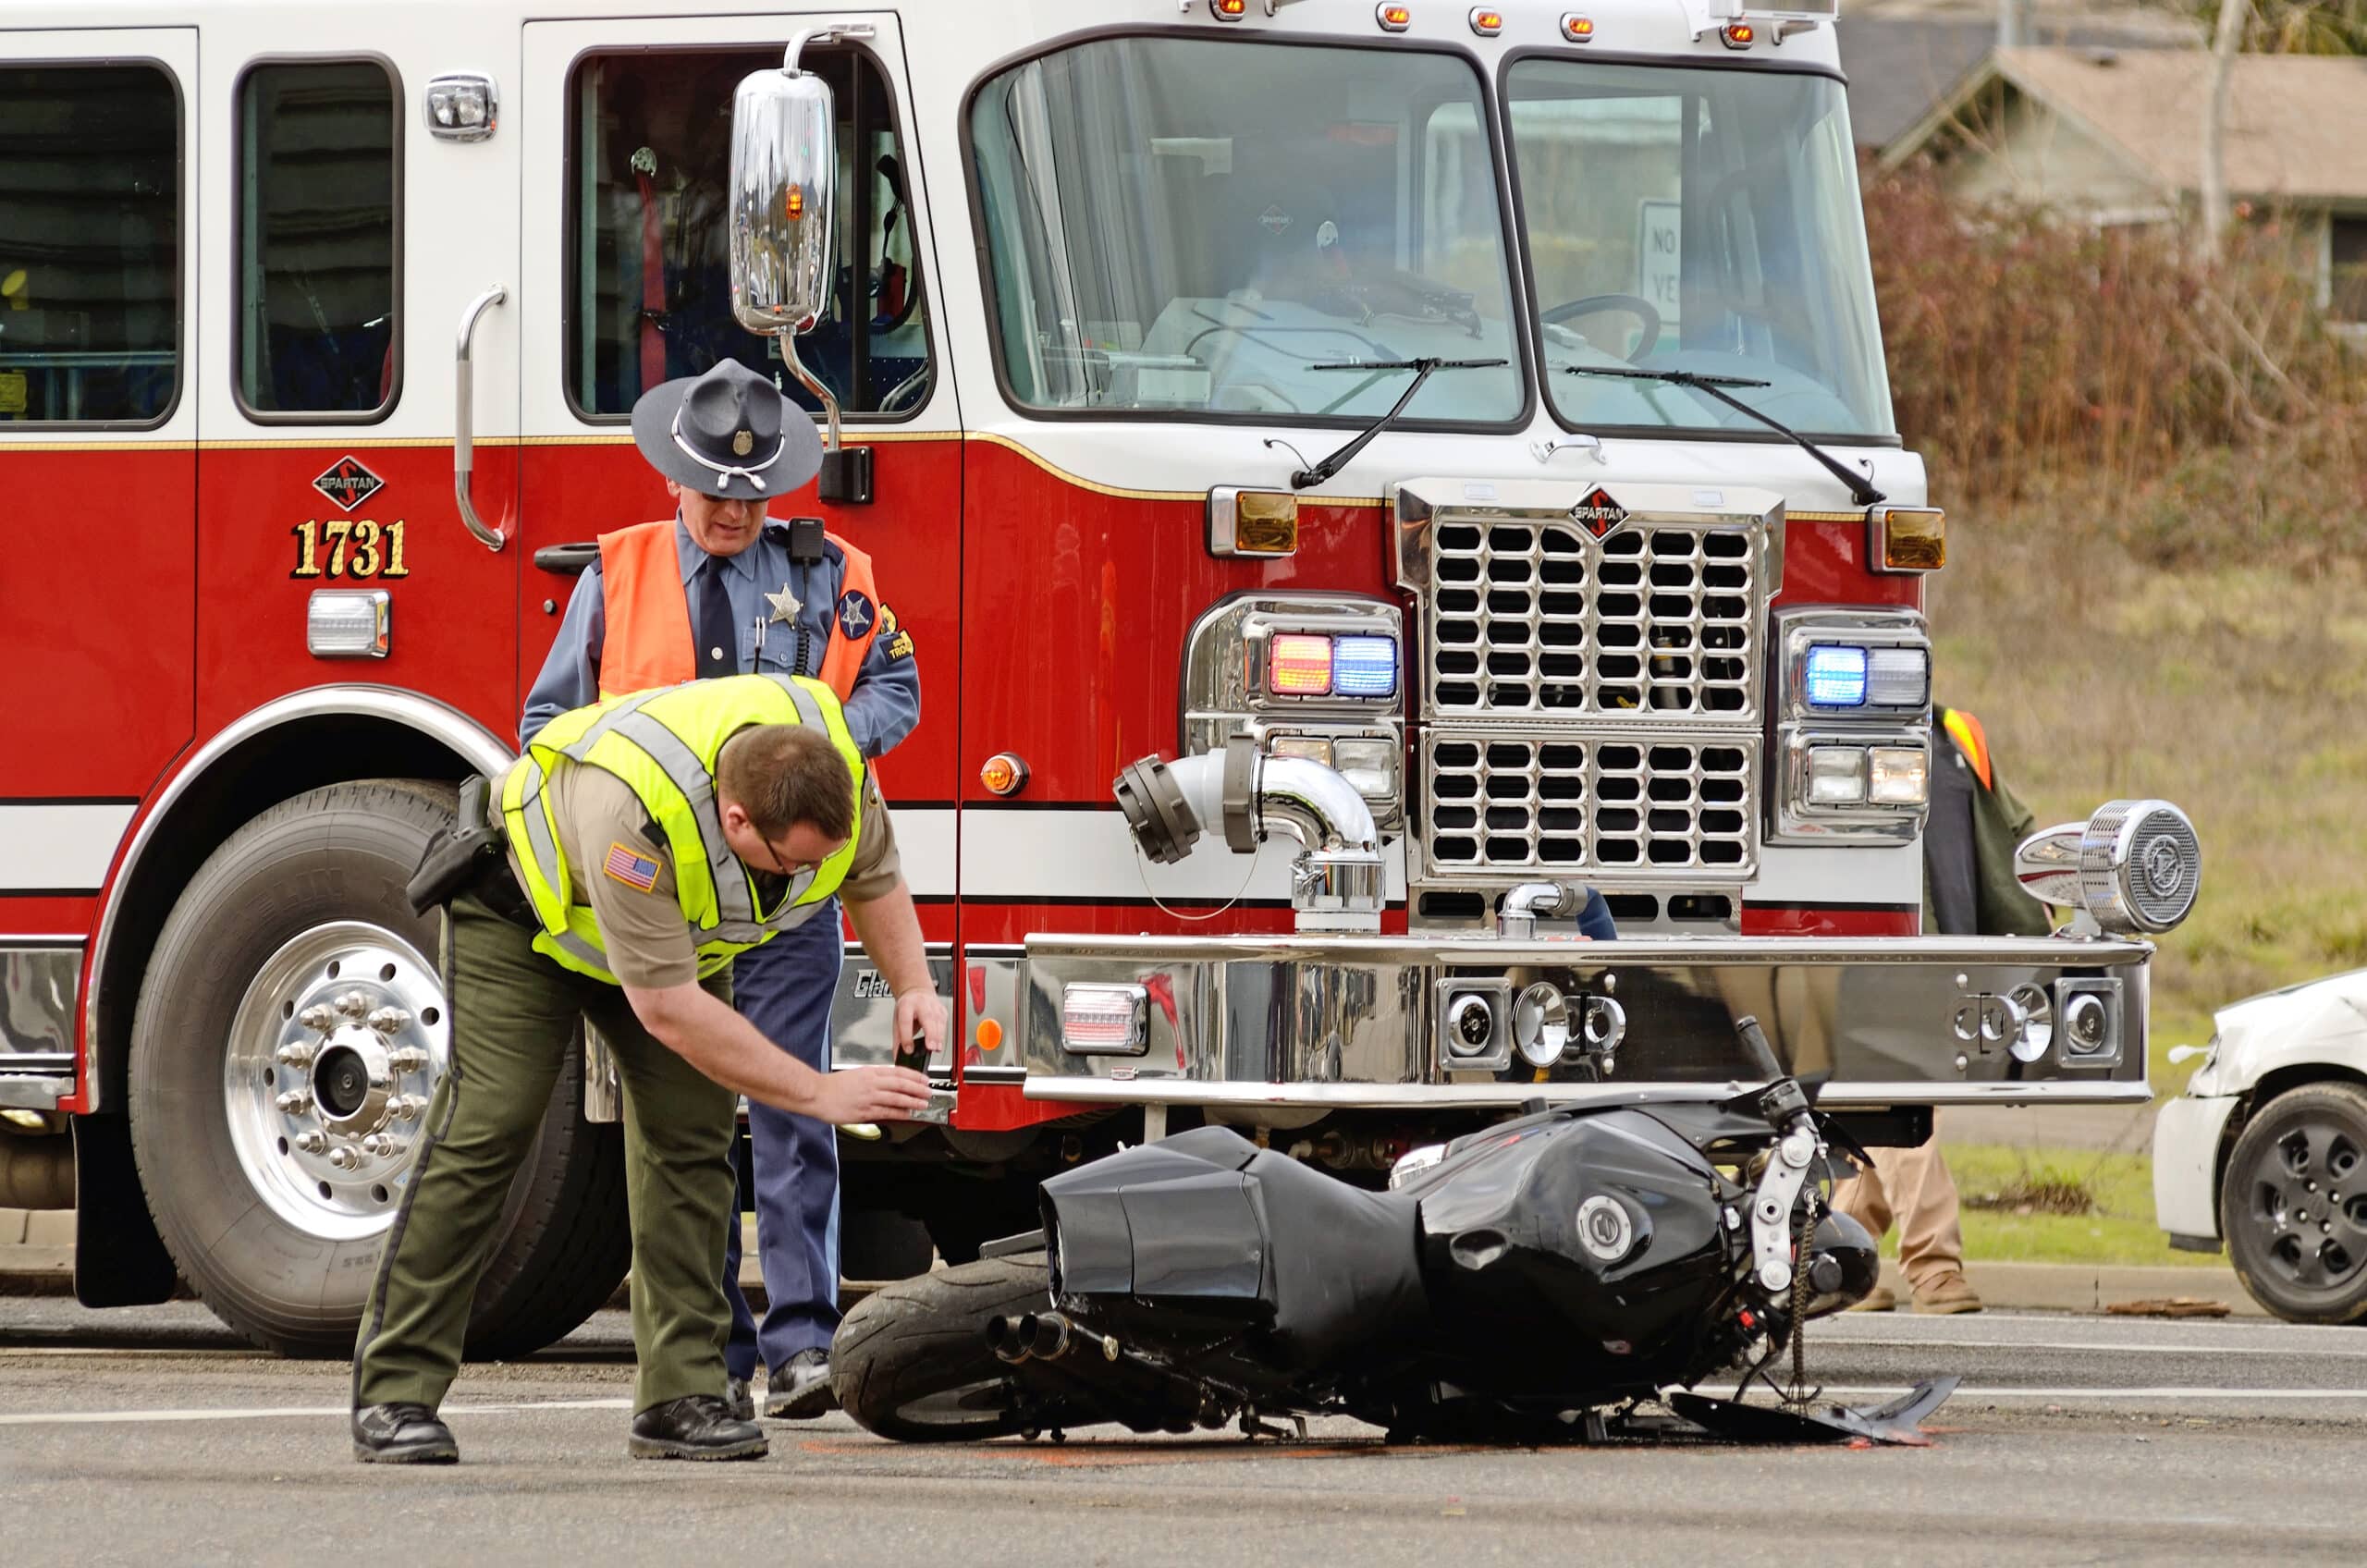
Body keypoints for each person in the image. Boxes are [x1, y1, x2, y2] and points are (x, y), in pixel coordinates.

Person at [350, 672, 944, 1464]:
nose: (801, 882)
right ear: (736, 818)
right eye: (788, 865)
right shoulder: (635, 816)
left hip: (673, 947)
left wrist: (914, 985)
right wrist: (818, 1092)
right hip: (527, 920)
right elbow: (667, 1010)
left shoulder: (834, 774)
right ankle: (395, 1391)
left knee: (691, 1141)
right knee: (490, 1128)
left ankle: (680, 1397)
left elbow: (873, 877)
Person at [521, 357, 920, 1423]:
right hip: (672, 898)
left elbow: (898, 689)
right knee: (693, 1132)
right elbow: (543, 731)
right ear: (672, 481)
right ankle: (716, 1347)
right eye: (715, 494)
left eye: (754, 495)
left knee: (797, 1106)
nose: (736, 513)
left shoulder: (835, 570)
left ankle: (801, 1342)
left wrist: (822, 753)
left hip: (787, 896)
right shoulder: (618, 572)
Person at [1839, 704, 2051, 1315]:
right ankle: (1934, 1267)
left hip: (1941, 950)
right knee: (1900, 1105)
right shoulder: (1817, 733)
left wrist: (2034, 922)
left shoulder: (1955, 733)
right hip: (1863, 955)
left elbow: (2007, 830)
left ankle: (1822, 1259)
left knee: (1889, 1110)